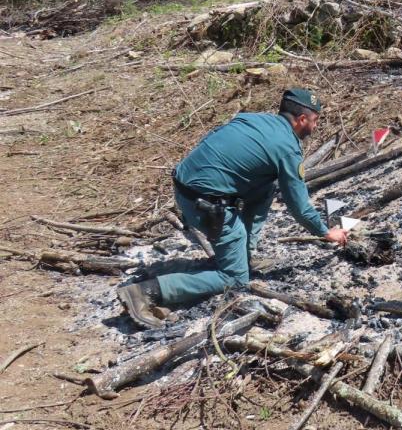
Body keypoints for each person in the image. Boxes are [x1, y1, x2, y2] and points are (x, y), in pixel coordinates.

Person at [117, 88, 348, 328]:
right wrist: (325, 231)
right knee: (235, 278)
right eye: (315, 120)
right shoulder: (287, 147)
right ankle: (146, 292)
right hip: (206, 206)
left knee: (267, 185)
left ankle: (242, 255)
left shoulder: (254, 119)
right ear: (302, 120)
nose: (316, 125)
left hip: (185, 189)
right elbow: (298, 204)